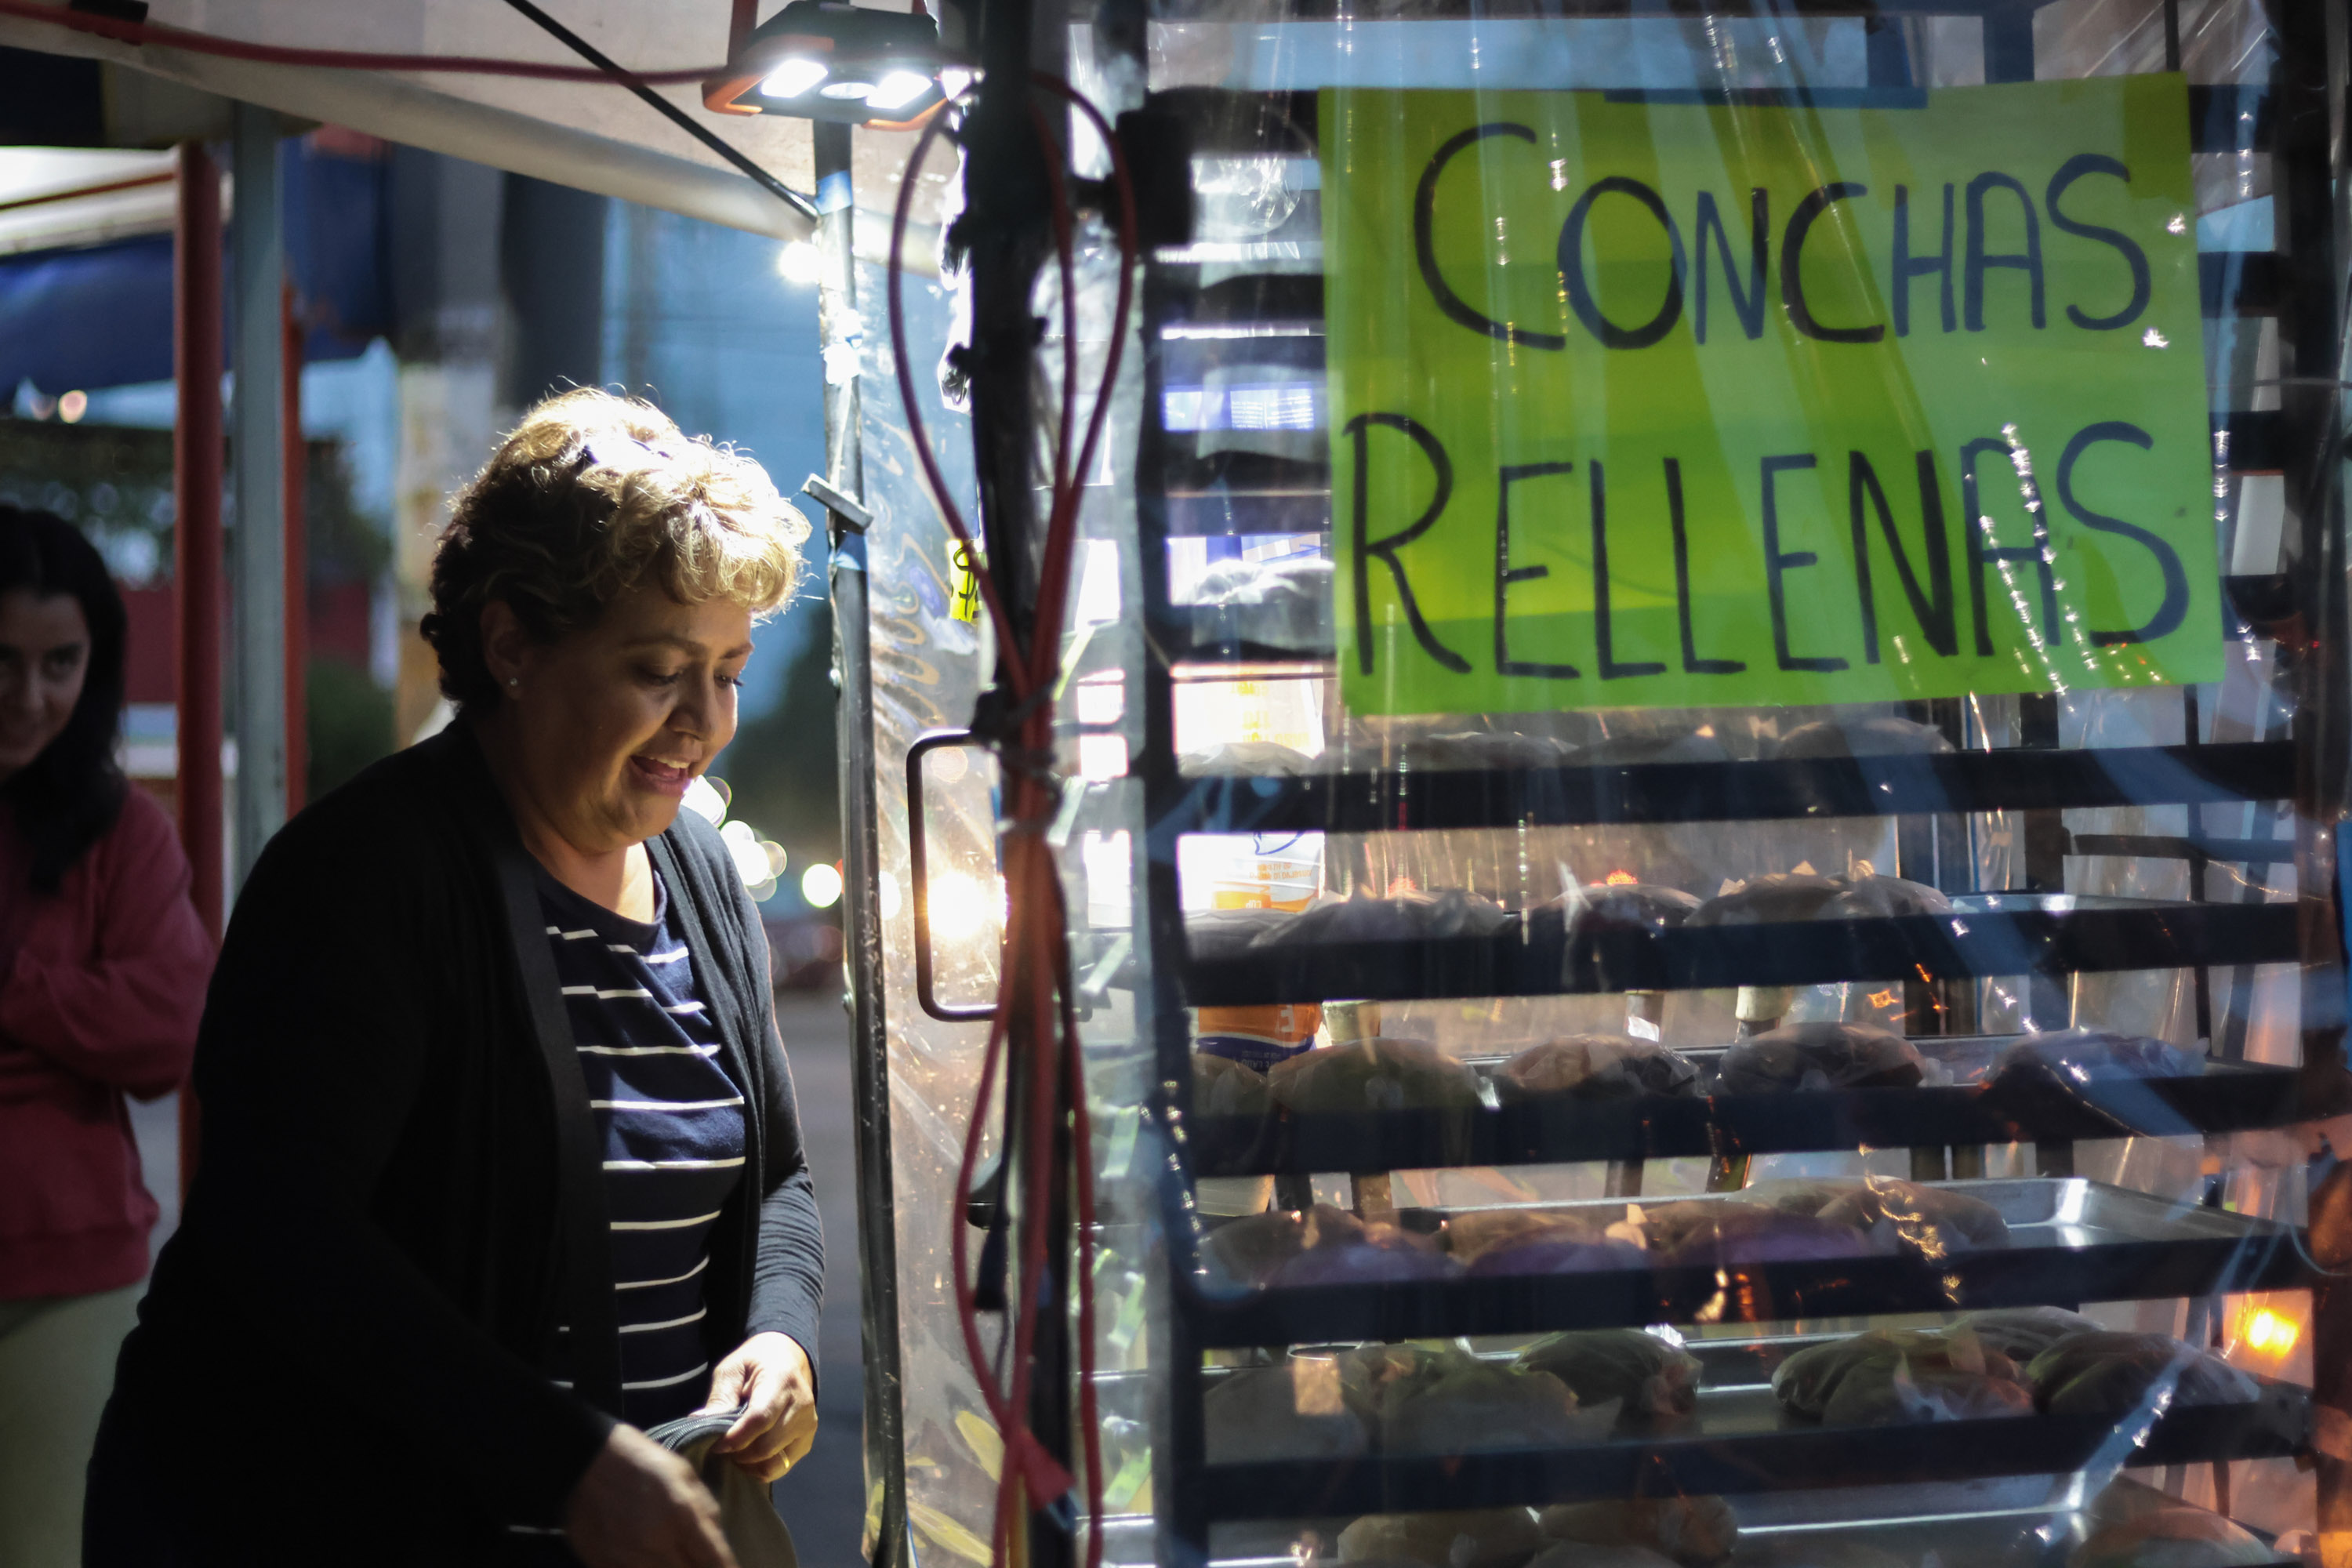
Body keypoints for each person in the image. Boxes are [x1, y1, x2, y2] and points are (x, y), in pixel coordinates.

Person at [88, 390, 824, 1567]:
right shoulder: (365, 876)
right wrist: (565, 1456)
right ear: (511, 644)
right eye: (659, 669)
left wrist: (782, 1337)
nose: (704, 721)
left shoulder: (699, 870)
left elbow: (777, 1177)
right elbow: (279, 1235)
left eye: (729, 671)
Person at [0, 509, 209, 1568]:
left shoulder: (120, 829)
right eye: (2, 660)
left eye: (59, 663)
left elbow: (169, 1030)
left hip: (68, 1278)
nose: (28, 695)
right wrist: (71, 1007)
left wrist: (17, 989)